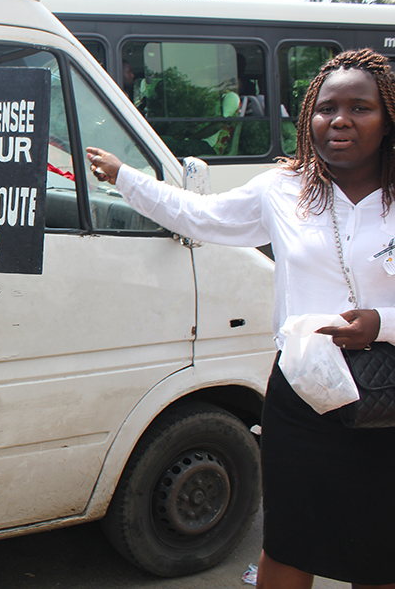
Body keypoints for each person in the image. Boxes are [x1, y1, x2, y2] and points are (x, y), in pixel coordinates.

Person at [86, 48, 395, 589]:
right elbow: (200, 217)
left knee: (380, 547)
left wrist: (381, 324)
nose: (339, 120)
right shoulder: (284, 190)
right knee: (290, 540)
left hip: (388, 392)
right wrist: (125, 178)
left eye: (360, 108)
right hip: (305, 392)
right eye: (326, 108)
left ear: (388, 117)